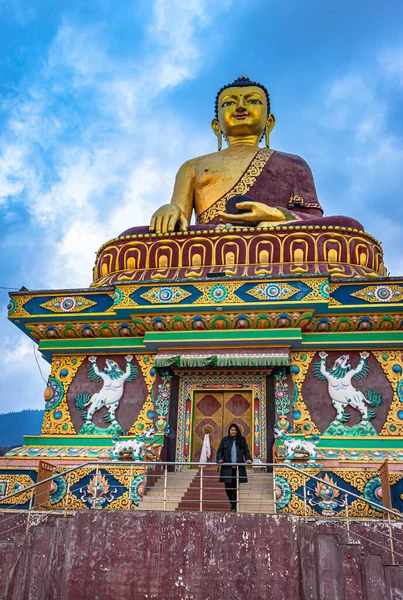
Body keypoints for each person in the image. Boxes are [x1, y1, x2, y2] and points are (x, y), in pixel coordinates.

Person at [149, 75, 362, 233]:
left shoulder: (292, 163)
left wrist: (276, 215)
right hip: (210, 241)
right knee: (130, 239)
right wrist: (169, 211)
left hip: (274, 237)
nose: (241, 106)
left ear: (269, 122)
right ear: (216, 126)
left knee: (347, 227)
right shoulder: (192, 166)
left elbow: (311, 218)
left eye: (252, 101)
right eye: (229, 103)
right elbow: (180, 218)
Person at [216, 423, 253, 513]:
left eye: (235, 430)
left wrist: (248, 459)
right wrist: (219, 459)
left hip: (238, 468)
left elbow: (246, 451)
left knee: (236, 487)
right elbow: (220, 451)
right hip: (227, 468)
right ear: (229, 431)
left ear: (238, 431)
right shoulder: (225, 440)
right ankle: (232, 502)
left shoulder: (242, 440)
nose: (233, 431)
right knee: (228, 487)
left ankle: (234, 505)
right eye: (232, 430)